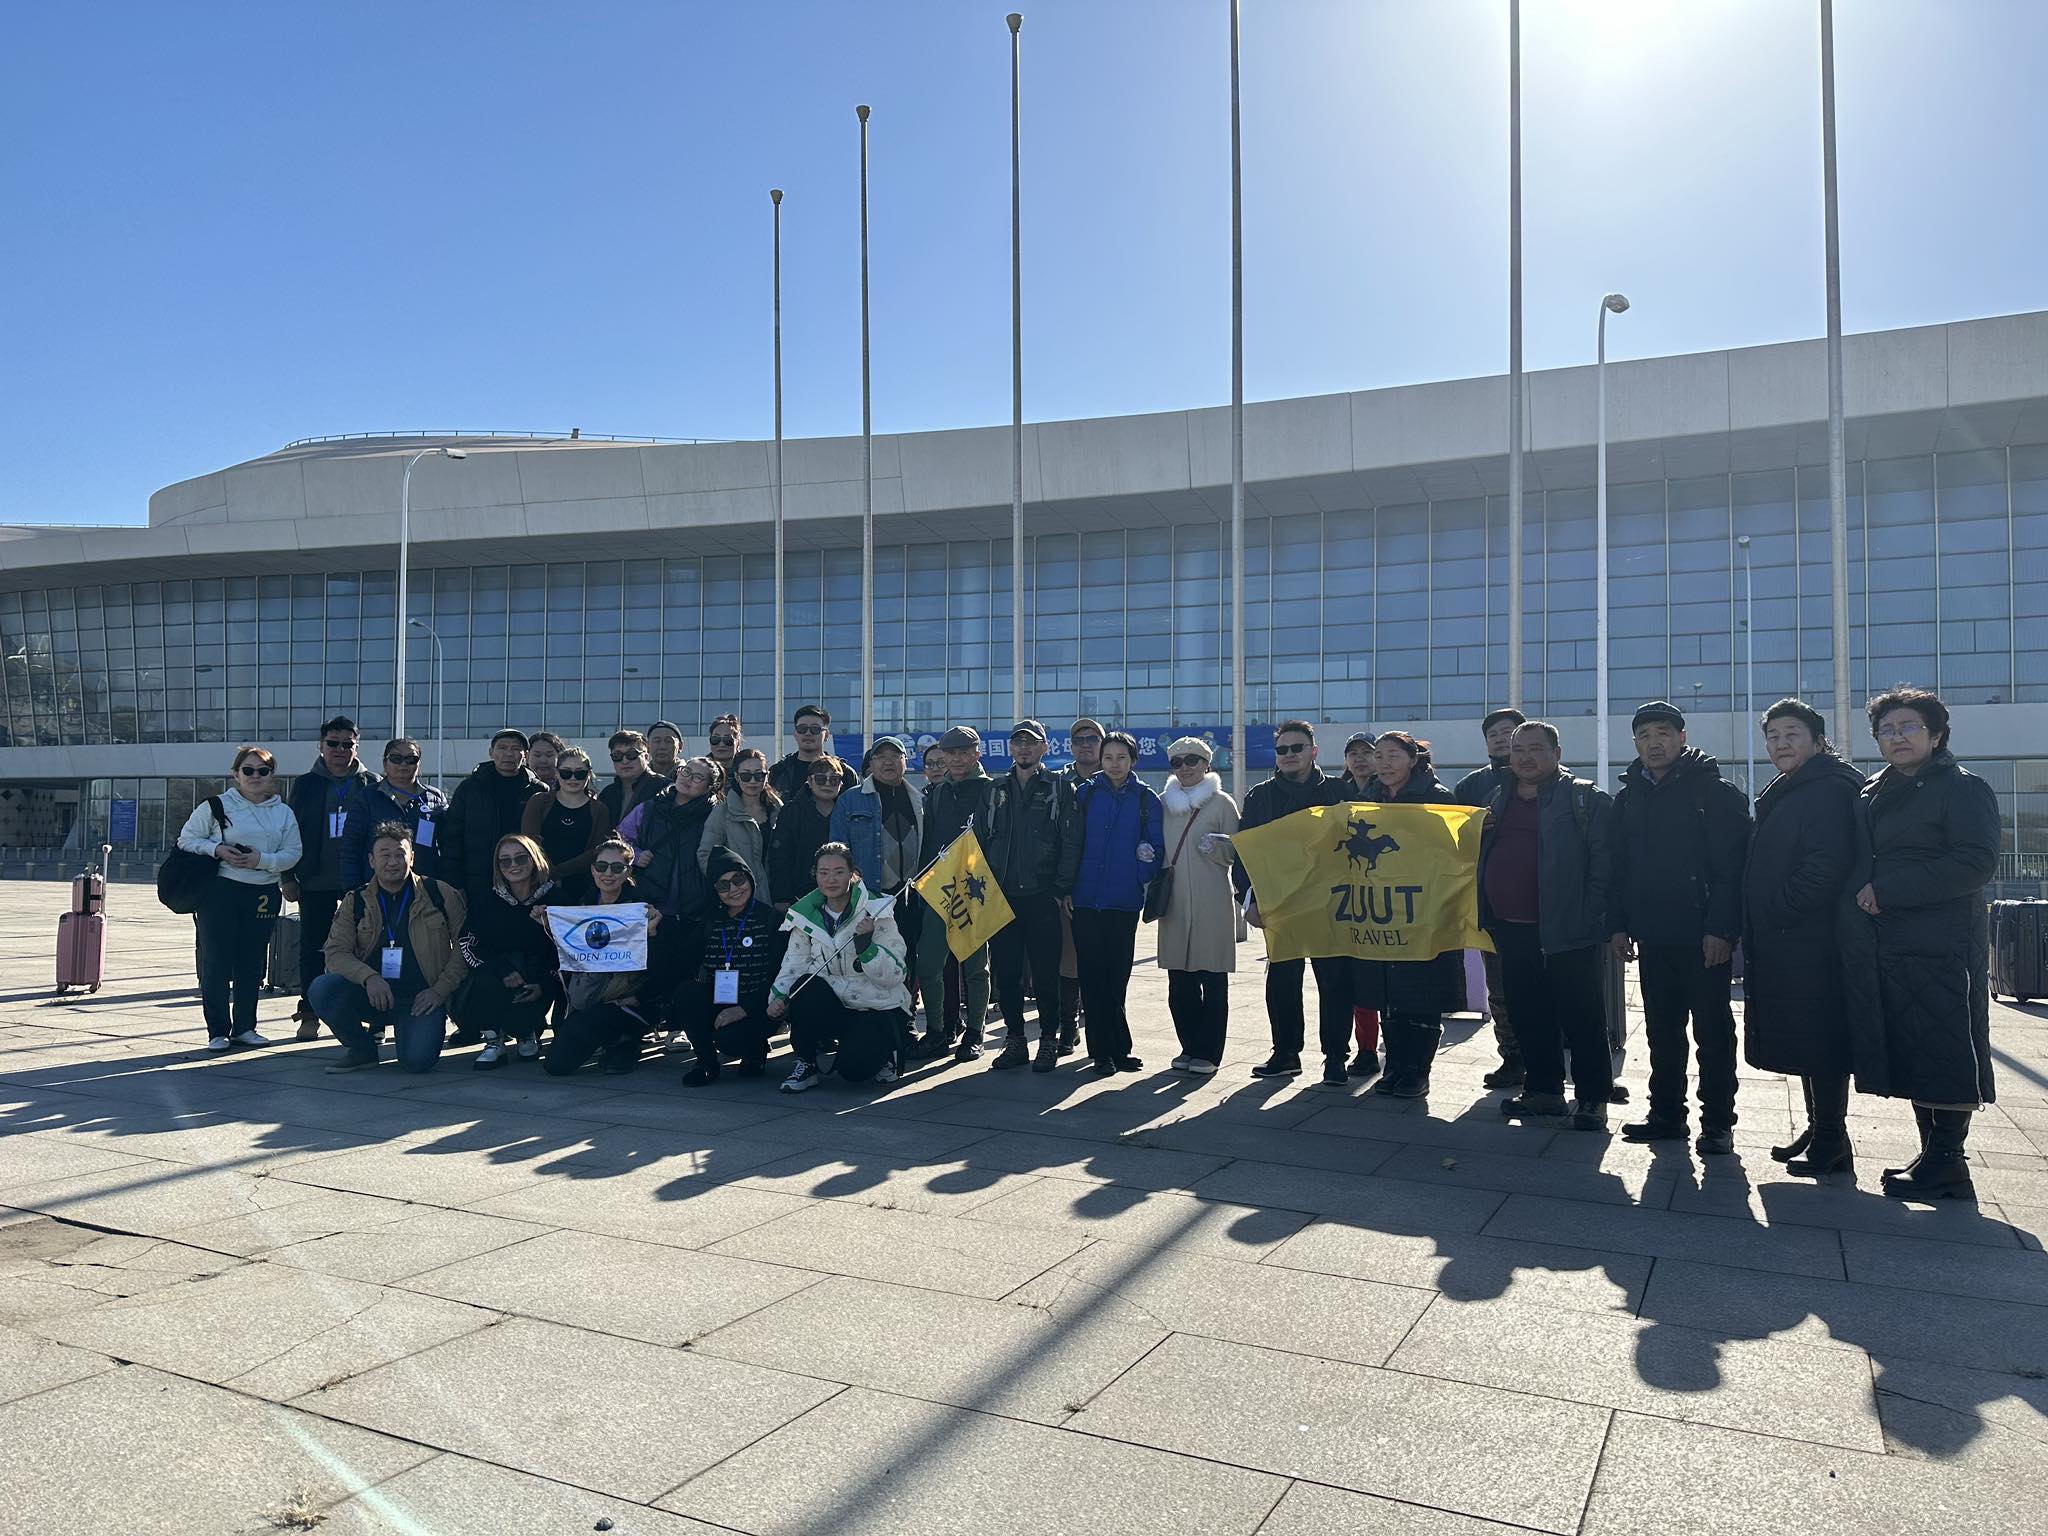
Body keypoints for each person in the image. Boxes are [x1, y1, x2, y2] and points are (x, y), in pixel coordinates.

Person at [1842, 688, 2001, 1200]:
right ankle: (1932, 1153)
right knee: (1916, 1047)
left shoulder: (1963, 788)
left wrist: (1889, 890)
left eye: (1909, 727)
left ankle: (1949, 1161)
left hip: (1944, 942)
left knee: (1946, 1045)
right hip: (1890, 942)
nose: (1897, 737)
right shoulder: (1875, 790)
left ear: (1936, 735)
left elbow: (1975, 862)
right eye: (1887, 730)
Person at [1608, 700, 1752, 1154]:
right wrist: (1618, 925)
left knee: (1713, 1033)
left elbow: (1733, 870)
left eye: (1664, 733)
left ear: (1682, 738)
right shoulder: (1630, 795)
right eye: (1645, 735)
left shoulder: (1714, 792)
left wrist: (1722, 930)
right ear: (1635, 743)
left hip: (1704, 936)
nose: (1654, 743)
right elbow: (1619, 868)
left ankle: (1718, 1123)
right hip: (1653, 935)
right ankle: (1667, 1115)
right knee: (1661, 1031)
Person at [1740, 699, 1866, 1175]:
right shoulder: (1795, 787)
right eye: (1772, 736)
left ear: (1818, 740)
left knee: (1823, 1037)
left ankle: (1831, 1138)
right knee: (1808, 1037)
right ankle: (1821, 1129)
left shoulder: (1828, 789)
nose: (1780, 744)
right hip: (1792, 938)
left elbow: (1826, 867)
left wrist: (1776, 908)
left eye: (1791, 734)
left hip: (1815, 939)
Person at [1477, 720, 1615, 1129]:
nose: (1525, 757)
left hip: (1568, 927)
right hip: (1511, 927)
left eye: (1535, 749)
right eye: (1518, 749)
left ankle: (1592, 1098)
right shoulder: (1497, 796)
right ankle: (1543, 1091)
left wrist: (1590, 914)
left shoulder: (1583, 797)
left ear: (1557, 754)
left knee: (1582, 1016)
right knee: (1527, 1011)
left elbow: (1605, 862)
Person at [1234, 719, 1350, 1081]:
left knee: (1335, 983)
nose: (1288, 754)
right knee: (1282, 983)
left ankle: (1336, 1057)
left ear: (1313, 752)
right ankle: (1285, 1053)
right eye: (1282, 749)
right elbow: (1244, 852)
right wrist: (1248, 899)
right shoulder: (1260, 796)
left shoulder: (1339, 792)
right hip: (1280, 905)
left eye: (1296, 748)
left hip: (1331, 905)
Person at [1351, 732, 1464, 1098]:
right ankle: (1395, 1066)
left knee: (1422, 991)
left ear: (1413, 759)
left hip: (1423, 908)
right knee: (1389, 993)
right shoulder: (1368, 799)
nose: (1384, 763)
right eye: (1379, 756)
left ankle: (1418, 1070)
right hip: (1383, 910)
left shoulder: (1437, 797)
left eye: (1393, 756)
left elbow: (1452, 851)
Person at [313, 823, 468, 1074]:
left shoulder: (440, 893)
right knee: (323, 988)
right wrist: (369, 978)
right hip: (373, 994)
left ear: (412, 857)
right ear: (372, 861)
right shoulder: (356, 900)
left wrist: (439, 991)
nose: (393, 862)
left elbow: (465, 947)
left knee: (417, 1063)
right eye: (385, 855)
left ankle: (415, 1030)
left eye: (400, 854)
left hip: (422, 998)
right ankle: (362, 1049)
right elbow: (335, 953)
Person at [178, 745, 302, 1051]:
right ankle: (218, 1030)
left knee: (251, 962)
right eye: (248, 770)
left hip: (263, 892)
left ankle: (245, 1027)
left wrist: (262, 860)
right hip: (220, 890)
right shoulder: (216, 806)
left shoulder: (283, 813)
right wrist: (217, 849)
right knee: (217, 962)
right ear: (236, 774)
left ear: (272, 775)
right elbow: (187, 839)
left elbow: (293, 852)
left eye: (263, 771)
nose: (255, 776)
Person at [975, 720, 1082, 1073]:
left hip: (1042, 896)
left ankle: (1049, 1039)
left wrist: (1061, 888)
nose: (1024, 747)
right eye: (1018, 742)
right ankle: (1015, 1040)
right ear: (1010, 748)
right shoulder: (994, 790)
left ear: (1044, 748)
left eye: (1031, 742)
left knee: (1046, 974)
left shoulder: (1059, 788)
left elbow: (1071, 841)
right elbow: (980, 841)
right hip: (1003, 897)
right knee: (1007, 975)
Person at [768, 843, 912, 1092]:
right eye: (824, 872)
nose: (831, 879)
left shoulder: (877, 910)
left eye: (838, 872)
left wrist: (866, 948)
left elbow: (894, 975)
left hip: (875, 1007)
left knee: (854, 1072)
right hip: (837, 1004)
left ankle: (885, 1053)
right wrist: (778, 998)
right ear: (815, 875)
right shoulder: (805, 915)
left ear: (852, 874)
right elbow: (794, 964)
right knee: (804, 987)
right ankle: (806, 1063)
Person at [540, 837, 678, 1076]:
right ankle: (610, 1040)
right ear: (593, 870)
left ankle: (627, 1039)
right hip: (589, 995)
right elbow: (570, 955)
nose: (608, 873)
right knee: (556, 1063)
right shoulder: (583, 906)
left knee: (584, 1037)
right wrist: (547, 925)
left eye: (617, 867)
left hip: (629, 1000)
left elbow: (664, 968)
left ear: (628, 871)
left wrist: (651, 936)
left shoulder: (642, 910)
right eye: (602, 866)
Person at [281, 716, 378, 1040]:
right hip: (315, 879)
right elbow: (290, 831)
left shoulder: (370, 783)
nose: (340, 750)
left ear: (357, 747)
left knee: (366, 946)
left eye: (347, 744)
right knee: (313, 948)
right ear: (320, 746)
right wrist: (287, 876)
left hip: (360, 880)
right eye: (333, 743)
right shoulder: (306, 784)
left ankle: (367, 1012)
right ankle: (309, 1013)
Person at [1070, 731, 1162, 1074]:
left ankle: (1119, 1048)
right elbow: (1071, 842)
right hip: (1085, 899)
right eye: (1108, 757)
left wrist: (1139, 873)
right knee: (1092, 977)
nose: (1114, 764)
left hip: (1123, 901)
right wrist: (1067, 887)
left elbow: (1156, 847)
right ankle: (1102, 1052)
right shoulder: (1085, 794)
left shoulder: (1146, 799)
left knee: (1117, 976)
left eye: (1122, 757)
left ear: (1133, 761)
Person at [829, 737, 925, 1043]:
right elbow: (837, 851)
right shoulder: (851, 800)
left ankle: (904, 1021)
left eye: (895, 756)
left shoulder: (919, 799)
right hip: (869, 899)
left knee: (906, 960)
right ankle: (869, 1026)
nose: (888, 761)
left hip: (910, 897)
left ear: (905, 762)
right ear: (870, 764)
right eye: (880, 756)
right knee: (869, 960)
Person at [1155, 738, 1240, 1075]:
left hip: (1212, 901)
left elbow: (1238, 852)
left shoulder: (1222, 803)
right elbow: (1154, 846)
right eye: (1177, 762)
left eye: (1192, 760)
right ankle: (1188, 1046)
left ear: (1207, 763)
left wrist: (1218, 848)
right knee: (1179, 981)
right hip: (1174, 902)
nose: (1185, 767)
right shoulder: (1163, 804)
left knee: (1213, 980)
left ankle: (1209, 1052)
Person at [673, 846, 786, 1086]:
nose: (734, 889)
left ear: (749, 878)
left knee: (730, 1040)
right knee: (686, 993)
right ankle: (705, 1062)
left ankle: (755, 1051)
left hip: (759, 1005)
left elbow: (779, 975)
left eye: (738, 879)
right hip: (721, 999)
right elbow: (680, 961)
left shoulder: (770, 919)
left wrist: (745, 1008)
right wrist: (652, 930)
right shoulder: (710, 921)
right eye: (723, 885)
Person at [916, 726, 997, 1058]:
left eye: (964, 753)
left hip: (977, 888)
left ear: (977, 754)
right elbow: (929, 841)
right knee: (929, 964)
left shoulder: (992, 790)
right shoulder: (937, 793)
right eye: (951, 754)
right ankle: (936, 1031)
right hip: (940, 888)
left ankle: (975, 1033)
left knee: (976, 967)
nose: (957, 759)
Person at [1458, 707, 1526, 1091]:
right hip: (1490, 904)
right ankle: (1512, 1057)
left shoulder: (1551, 780)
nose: (1501, 739)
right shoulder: (1471, 786)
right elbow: (1449, 839)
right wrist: (1473, 829)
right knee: (1499, 989)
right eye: (1493, 734)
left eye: (1508, 732)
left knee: (1542, 988)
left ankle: (1546, 1059)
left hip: (1541, 905)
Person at [455, 833, 562, 1068]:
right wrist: (500, 970)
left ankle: (528, 1033)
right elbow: (468, 943)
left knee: (521, 1022)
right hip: (496, 977)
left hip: (536, 977)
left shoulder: (555, 898)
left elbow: (565, 950)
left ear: (534, 859)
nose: (513, 865)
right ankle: (493, 1039)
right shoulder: (486, 900)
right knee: (483, 979)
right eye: (505, 861)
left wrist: (544, 983)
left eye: (521, 858)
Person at [441, 729, 549, 899]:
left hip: (525, 879)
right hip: (478, 880)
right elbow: (452, 837)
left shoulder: (538, 790)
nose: (508, 754)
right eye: (502, 748)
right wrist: (453, 880)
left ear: (526, 755)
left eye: (515, 749)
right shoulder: (469, 788)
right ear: (491, 752)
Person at [1051, 718, 1105, 1051]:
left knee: (1107, 963)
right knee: (1069, 960)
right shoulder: (1059, 784)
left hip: (1108, 887)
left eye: (1092, 739)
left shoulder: (1116, 780)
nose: (1085, 744)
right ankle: (1068, 1025)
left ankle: (1106, 1033)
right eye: (1079, 740)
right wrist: (1061, 885)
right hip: (1069, 886)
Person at [618, 757, 721, 922]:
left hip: (698, 910)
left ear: (709, 788)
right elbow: (617, 841)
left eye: (697, 777)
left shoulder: (715, 817)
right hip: (650, 908)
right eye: (686, 772)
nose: (688, 779)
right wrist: (635, 855)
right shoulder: (648, 809)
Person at [340, 739, 448, 889]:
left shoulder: (434, 798)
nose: (403, 764)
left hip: (425, 887)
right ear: (385, 763)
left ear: (419, 763)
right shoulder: (367, 797)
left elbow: (449, 846)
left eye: (411, 759)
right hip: (377, 887)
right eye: (396, 759)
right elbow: (351, 845)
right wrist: (353, 888)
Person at [1334, 730, 1381, 1080]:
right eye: (1353, 753)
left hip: (1386, 898)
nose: (1360, 759)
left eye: (1367, 752)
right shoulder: (1335, 795)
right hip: (1348, 899)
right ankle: (1366, 1049)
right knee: (1357, 982)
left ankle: (1398, 1047)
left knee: (1387, 980)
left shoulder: (1393, 791)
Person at [520, 745, 615, 887]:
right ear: (557, 773)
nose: (573, 778)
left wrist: (559, 872)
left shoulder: (599, 809)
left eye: (580, 773)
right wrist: (548, 873)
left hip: (583, 883)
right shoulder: (539, 801)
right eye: (566, 773)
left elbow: (596, 851)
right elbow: (529, 842)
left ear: (589, 774)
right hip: (540, 880)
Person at [700, 745, 780, 908]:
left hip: (778, 898)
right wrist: (729, 888)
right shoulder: (722, 812)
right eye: (746, 776)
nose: (753, 781)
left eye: (759, 775)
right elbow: (705, 856)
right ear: (736, 777)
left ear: (767, 776)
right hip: (738, 902)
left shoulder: (779, 810)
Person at [769, 753, 847, 912]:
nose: (827, 784)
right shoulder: (792, 811)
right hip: (800, 894)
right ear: (809, 782)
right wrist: (782, 896)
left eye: (834, 779)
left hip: (842, 894)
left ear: (841, 783)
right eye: (820, 779)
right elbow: (780, 857)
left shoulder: (848, 811)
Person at [769, 704, 858, 801]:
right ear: (795, 734)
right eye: (802, 729)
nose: (808, 733)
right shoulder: (778, 772)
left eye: (815, 729)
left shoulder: (845, 773)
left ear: (826, 735)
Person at [598, 730, 662, 827]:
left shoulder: (664, 789)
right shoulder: (607, 794)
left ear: (646, 757)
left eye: (631, 754)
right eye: (617, 756)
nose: (624, 761)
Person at [646, 721, 686, 785]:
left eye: (669, 741)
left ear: (680, 746)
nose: (662, 747)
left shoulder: (689, 778)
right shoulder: (637, 776)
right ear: (647, 746)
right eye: (657, 741)